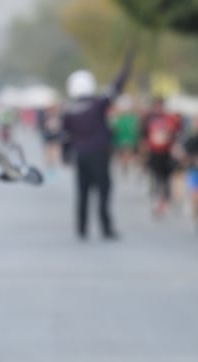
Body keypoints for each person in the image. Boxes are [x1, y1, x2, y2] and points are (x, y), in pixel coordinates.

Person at [62, 48, 133, 240]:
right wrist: (126, 67)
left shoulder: (69, 110)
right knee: (103, 191)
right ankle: (106, 228)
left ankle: (81, 229)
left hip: (81, 155)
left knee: (82, 194)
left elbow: (65, 136)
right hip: (99, 154)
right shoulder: (97, 104)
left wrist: (66, 156)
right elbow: (116, 88)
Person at [140, 97, 182, 217]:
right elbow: (144, 137)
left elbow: (176, 134)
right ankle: (157, 199)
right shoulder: (149, 119)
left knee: (166, 178)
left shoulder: (169, 119)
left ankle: (166, 201)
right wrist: (143, 154)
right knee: (155, 177)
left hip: (166, 153)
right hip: (154, 153)